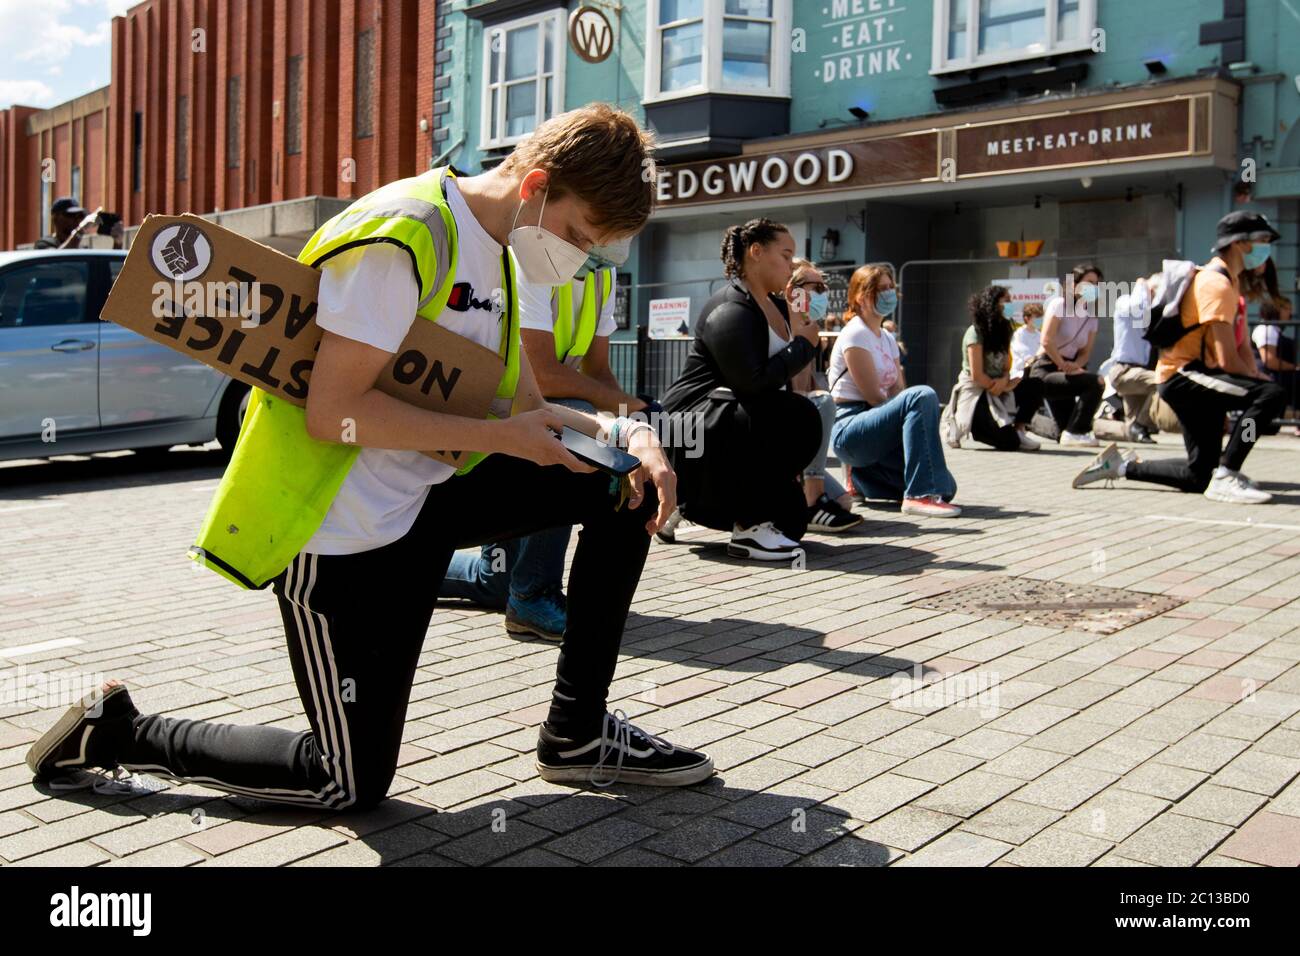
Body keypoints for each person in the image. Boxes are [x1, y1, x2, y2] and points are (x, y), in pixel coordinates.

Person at [26, 104, 717, 807]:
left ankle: (577, 733)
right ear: (537, 184)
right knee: (345, 782)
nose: (575, 256)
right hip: (338, 532)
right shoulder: (406, 232)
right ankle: (114, 733)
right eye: (576, 235)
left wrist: (626, 433)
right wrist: (501, 438)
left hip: (422, 505)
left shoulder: (501, 255)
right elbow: (335, 414)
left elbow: (524, 408)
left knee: (620, 483)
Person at [438, 258, 641, 641]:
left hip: (537, 410)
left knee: (494, 580)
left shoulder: (602, 274)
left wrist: (633, 412)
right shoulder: (531, 259)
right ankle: (532, 592)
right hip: (517, 412)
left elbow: (598, 371)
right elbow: (541, 374)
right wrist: (614, 424)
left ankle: (380, 566)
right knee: (578, 434)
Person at [1074, 211, 1287, 504]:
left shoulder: (1228, 281)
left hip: (1190, 377)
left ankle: (1119, 467)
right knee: (1271, 395)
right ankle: (1228, 473)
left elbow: (1241, 347)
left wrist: (1255, 375)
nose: (1267, 248)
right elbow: (1227, 358)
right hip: (1185, 377)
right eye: (1263, 240)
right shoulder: (1217, 283)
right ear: (1241, 243)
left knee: (1199, 475)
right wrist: (1258, 383)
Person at [659, 218, 822, 560]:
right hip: (692, 424)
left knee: (792, 522)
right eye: (786, 254)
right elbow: (752, 382)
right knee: (797, 415)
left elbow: (793, 382)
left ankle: (689, 503)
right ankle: (741, 525)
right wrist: (804, 347)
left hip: (732, 421)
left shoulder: (778, 306)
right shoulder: (731, 308)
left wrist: (801, 331)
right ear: (756, 252)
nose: (792, 265)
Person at [829, 264, 961, 517]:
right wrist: (903, 419)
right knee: (922, 395)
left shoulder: (887, 338)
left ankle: (861, 479)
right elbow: (874, 396)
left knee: (944, 486)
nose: (889, 293)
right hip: (851, 426)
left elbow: (898, 390)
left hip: (878, 422)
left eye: (891, 287)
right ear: (860, 295)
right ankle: (918, 496)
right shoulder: (855, 334)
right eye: (881, 289)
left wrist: (904, 418)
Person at [786, 258, 862, 531]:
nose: (823, 293)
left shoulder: (809, 330)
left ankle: (805, 494)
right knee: (822, 401)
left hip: (798, 433)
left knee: (843, 502)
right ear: (791, 289)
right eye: (815, 286)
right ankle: (810, 501)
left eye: (824, 286)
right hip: (777, 432)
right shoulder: (779, 328)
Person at [943, 285, 1044, 451]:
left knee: (1035, 385)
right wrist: (995, 387)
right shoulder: (975, 332)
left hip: (999, 387)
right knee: (1009, 442)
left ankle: (1019, 430)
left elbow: (1006, 367)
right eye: (1006, 301)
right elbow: (977, 374)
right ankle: (960, 426)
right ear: (992, 304)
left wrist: (1005, 381)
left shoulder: (1006, 330)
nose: (1010, 305)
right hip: (978, 390)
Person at [1029, 264, 1106, 446]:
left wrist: (1076, 365)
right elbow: (1046, 341)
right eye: (1089, 282)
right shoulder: (1059, 305)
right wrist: (1063, 364)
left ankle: (1029, 421)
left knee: (1060, 431)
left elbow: (1085, 352)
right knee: (1096, 382)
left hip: (1070, 371)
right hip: (1046, 369)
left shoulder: (1091, 316)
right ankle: (1077, 432)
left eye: (1097, 283)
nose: (1093, 287)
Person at [1106, 272, 1163, 443]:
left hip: (1138, 373)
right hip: (1123, 371)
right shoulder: (1125, 301)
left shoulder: (1149, 314)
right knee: (1163, 381)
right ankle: (1140, 425)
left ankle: (1095, 426)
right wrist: (1142, 285)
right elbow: (1138, 306)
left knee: (1131, 429)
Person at [1252, 297, 1296, 417]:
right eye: (1287, 309)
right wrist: (1295, 367)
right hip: (1271, 377)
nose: (1290, 313)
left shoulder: (1274, 330)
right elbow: (1270, 361)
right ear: (1275, 310)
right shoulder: (1267, 329)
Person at [1010, 302, 1043, 379]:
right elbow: (1028, 358)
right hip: (1020, 375)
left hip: (1036, 371)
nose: (1040, 320)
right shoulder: (1019, 334)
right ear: (1027, 318)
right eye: (1036, 317)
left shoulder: (1040, 335)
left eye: (1041, 317)